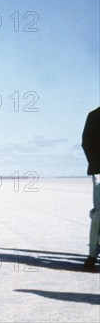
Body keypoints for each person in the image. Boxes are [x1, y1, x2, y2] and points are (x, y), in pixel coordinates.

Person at [82, 106, 100, 271]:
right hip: (99, 170)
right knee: (99, 214)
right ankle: (92, 255)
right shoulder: (95, 116)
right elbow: (86, 142)